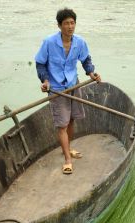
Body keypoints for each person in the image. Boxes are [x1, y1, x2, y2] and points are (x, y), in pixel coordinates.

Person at [35, 8, 101, 174]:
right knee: (62, 125)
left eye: (72, 23)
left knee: (72, 120)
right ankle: (67, 159)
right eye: (66, 23)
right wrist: (45, 81)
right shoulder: (49, 42)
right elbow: (40, 63)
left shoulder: (79, 42)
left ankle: (68, 148)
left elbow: (86, 59)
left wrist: (91, 72)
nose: (70, 26)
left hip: (73, 85)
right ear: (59, 25)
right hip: (57, 89)